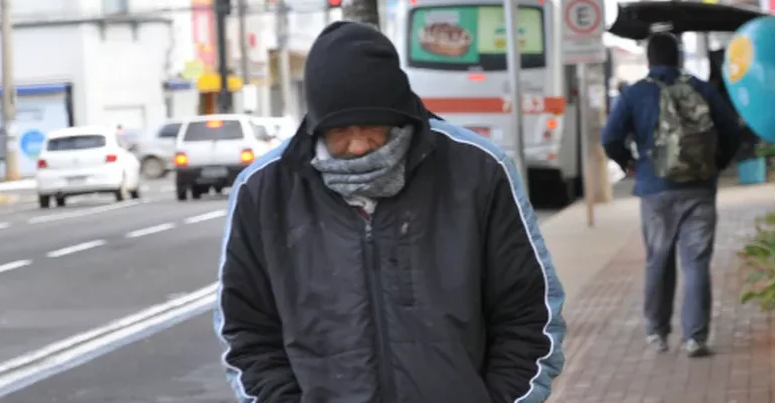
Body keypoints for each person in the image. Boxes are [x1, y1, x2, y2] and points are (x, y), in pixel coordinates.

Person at [215, 21, 566, 403]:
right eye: (339, 131)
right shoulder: (264, 191)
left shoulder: (478, 172)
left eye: (373, 127)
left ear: (399, 116)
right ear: (316, 126)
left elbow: (530, 315)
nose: (358, 145)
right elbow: (247, 332)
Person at [602, 32, 742, 358]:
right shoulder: (700, 88)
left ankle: (657, 332)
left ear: (649, 60)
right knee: (696, 263)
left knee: (658, 260)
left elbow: (610, 138)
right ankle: (695, 337)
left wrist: (631, 164)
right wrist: (715, 163)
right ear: (679, 58)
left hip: (655, 189)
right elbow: (731, 129)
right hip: (699, 188)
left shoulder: (636, 93)